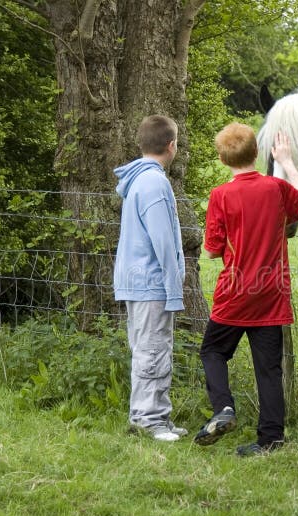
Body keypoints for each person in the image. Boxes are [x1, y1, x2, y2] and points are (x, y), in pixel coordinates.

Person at [193, 122, 298, 456]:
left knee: (213, 352)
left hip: (234, 292)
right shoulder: (276, 188)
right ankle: (270, 439)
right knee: (269, 369)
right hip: (271, 292)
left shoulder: (220, 195)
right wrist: (287, 162)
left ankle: (224, 409)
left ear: (222, 158)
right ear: (257, 152)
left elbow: (213, 248)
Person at [113, 115, 187, 442]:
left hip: (138, 279)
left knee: (153, 347)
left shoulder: (140, 179)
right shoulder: (155, 183)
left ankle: (157, 415)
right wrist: (174, 287)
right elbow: (163, 241)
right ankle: (148, 420)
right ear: (171, 146)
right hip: (151, 281)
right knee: (153, 350)